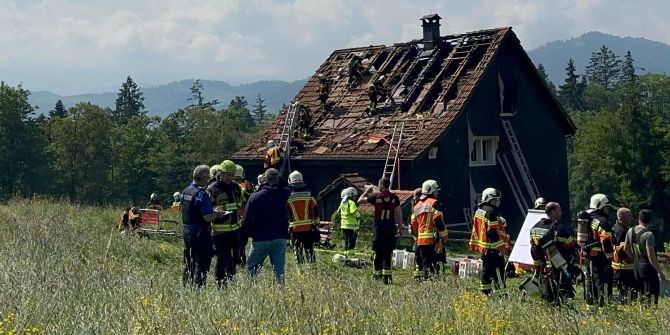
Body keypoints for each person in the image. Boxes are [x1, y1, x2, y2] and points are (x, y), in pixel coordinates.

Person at [243, 168, 292, 284]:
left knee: (252, 268)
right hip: (280, 237)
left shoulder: (255, 197)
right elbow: (289, 186)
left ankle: (249, 291)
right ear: (278, 179)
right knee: (279, 272)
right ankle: (280, 294)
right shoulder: (285, 193)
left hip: (260, 238)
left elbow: (246, 220)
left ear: (264, 179)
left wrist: (247, 236)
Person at [181, 165, 226, 287]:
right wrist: (217, 214)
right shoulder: (201, 194)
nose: (208, 181)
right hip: (200, 231)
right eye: (208, 178)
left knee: (189, 259)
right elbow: (208, 217)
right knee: (202, 260)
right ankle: (198, 287)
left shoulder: (186, 191)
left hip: (186, 230)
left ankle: (186, 285)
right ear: (204, 177)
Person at [529, 202, 577, 304]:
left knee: (546, 290)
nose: (561, 212)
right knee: (560, 290)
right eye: (559, 210)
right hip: (557, 264)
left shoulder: (535, 227)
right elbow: (570, 243)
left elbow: (533, 247)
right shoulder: (558, 228)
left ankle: (548, 304)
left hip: (542, 265)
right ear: (553, 212)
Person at [359, 178, 402, 285]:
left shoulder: (375, 196)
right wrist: (400, 228)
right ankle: (387, 277)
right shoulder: (395, 197)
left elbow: (360, 201)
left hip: (378, 228)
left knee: (378, 252)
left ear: (381, 185)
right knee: (388, 252)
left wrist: (368, 190)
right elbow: (398, 213)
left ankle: (376, 275)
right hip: (390, 228)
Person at [207, 160, 243, 287]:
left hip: (235, 231)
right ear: (220, 173)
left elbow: (240, 205)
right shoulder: (212, 189)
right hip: (219, 232)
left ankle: (231, 281)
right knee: (222, 259)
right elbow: (206, 210)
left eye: (231, 175)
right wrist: (215, 213)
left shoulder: (237, 188)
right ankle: (220, 284)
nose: (229, 177)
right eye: (226, 174)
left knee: (234, 259)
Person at [468, 188, 510, 295]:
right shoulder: (491, 212)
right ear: (490, 199)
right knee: (498, 271)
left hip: (484, 248)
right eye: (495, 199)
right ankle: (501, 294)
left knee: (486, 271)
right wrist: (501, 248)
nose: (497, 202)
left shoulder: (479, 210)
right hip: (494, 248)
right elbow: (492, 232)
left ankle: (485, 291)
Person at [625, 209, 667, 305]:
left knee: (639, 293)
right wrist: (659, 272)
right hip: (647, 267)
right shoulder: (648, 234)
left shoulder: (630, 231)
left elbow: (626, 249)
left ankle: (640, 313)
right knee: (651, 295)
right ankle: (649, 314)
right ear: (650, 220)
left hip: (636, 265)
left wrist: (634, 258)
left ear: (639, 218)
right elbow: (650, 255)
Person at [410, 180, 448, 281]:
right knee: (435, 263)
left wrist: (417, 237)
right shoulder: (434, 203)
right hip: (433, 240)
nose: (437, 193)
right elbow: (438, 221)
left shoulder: (417, 206)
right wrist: (444, 236)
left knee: (425, 263)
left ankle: (426, 282)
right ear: (431, 191)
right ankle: (433, 282)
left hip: (421, 241)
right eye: (436, 191)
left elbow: (413, 223)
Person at [585, 193, 615, 305]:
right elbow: (606, 241)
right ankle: (604, 306)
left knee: (590, 281)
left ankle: (591, 305)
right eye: (606, 207)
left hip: (588, 256)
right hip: (600, 258)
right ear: (601, 206)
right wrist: (610, 258)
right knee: (603, 282)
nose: (607, 210)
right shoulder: (602, 221)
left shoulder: (587, 218)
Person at [287, 170, 319, 264]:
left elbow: (285, 213)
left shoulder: (288, 197)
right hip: (308, 228)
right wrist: (316, 225)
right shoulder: (310, 194)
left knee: (297, 251)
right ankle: (312, 270)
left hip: (294, 229)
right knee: (309, 249)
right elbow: (315, 211)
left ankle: (301, 273)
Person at [612, 207, 635, 303]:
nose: (631, 217)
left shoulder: (617, 227)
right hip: (624, 268)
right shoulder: (621, 231)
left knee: (625, 292)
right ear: (622, 217)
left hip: (621, 268)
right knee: (627, 292)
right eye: (629, 215)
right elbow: (621, 249)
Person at [339, 187, 361, 259]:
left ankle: (345, 256)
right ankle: (350, 256)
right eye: (354, 195)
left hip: (343, 225)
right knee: (351, 241)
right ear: (351, 195)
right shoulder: (351, 203)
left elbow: (338, 211)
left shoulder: (342, 203)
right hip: (351, 226)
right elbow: (354, 212)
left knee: (346, 241)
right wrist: (359, 216)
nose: (355, 197)